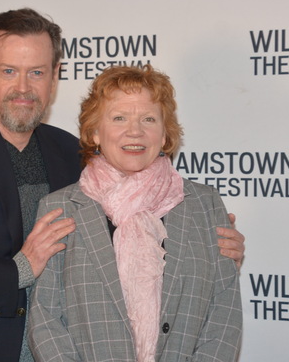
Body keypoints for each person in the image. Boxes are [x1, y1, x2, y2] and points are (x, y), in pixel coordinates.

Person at [0, 8, 244, 362]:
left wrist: (208, 252)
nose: (23, 88)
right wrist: (18, 269)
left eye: (36, 72)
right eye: (9, 71)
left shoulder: (72, 153)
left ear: (54, 77)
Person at [29, 65, 242, 361]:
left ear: (165, 134)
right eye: (119, 118)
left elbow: (224, 315)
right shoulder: (60, 208)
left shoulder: (205, 206)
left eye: (148, 119)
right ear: (94, 132)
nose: (135, 131)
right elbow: (46, 320)